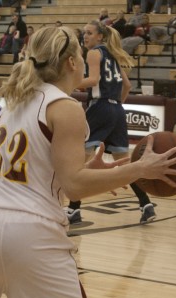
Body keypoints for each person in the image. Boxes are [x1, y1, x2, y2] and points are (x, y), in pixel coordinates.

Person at [0, 26, 176, 298]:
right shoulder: (65, 106)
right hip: (28, 232)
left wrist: (89, 168)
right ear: (72, 62)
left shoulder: (16, 98)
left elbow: (37, 168)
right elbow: (74, 185)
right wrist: (140, 169)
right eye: (81, 55)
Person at [64, 20, 159, 225]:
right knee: (124, 163)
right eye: (84, 33)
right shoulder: (112, 55)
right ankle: (146, 204)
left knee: (80, 159)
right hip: (116, 109)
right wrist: (116, 106)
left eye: (89, 33)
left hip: (99, 107)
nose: (85, 36)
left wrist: (68, 84)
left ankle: (73, 209)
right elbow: (127, 84)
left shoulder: (93, 53)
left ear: (100, 36)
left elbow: (94, 80)